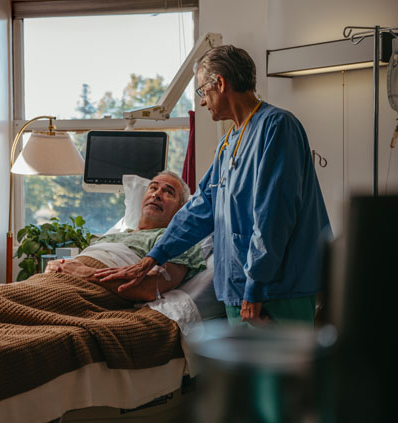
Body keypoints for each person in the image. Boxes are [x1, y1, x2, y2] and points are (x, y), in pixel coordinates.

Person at [96, 45, 330, 327]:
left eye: (201, 91)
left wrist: (255, 285)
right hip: (238, 290)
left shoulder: (277, 127)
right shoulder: (228, 143)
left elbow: (274, 216)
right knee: (244, 371)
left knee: (284, 370)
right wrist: (154, 256)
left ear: (220, 83)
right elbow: (200, 208)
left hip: (277, 288)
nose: (203, 102)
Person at [45, 170, 206, 302]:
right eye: (153, 188)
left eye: (168, 192)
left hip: (88, 292)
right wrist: (57, 265)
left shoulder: (178, 242)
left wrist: (86, 273)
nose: (156, 194)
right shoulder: (111, 237)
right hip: (55, 282)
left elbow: (150, 289)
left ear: (181, 210)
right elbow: (72, 267)